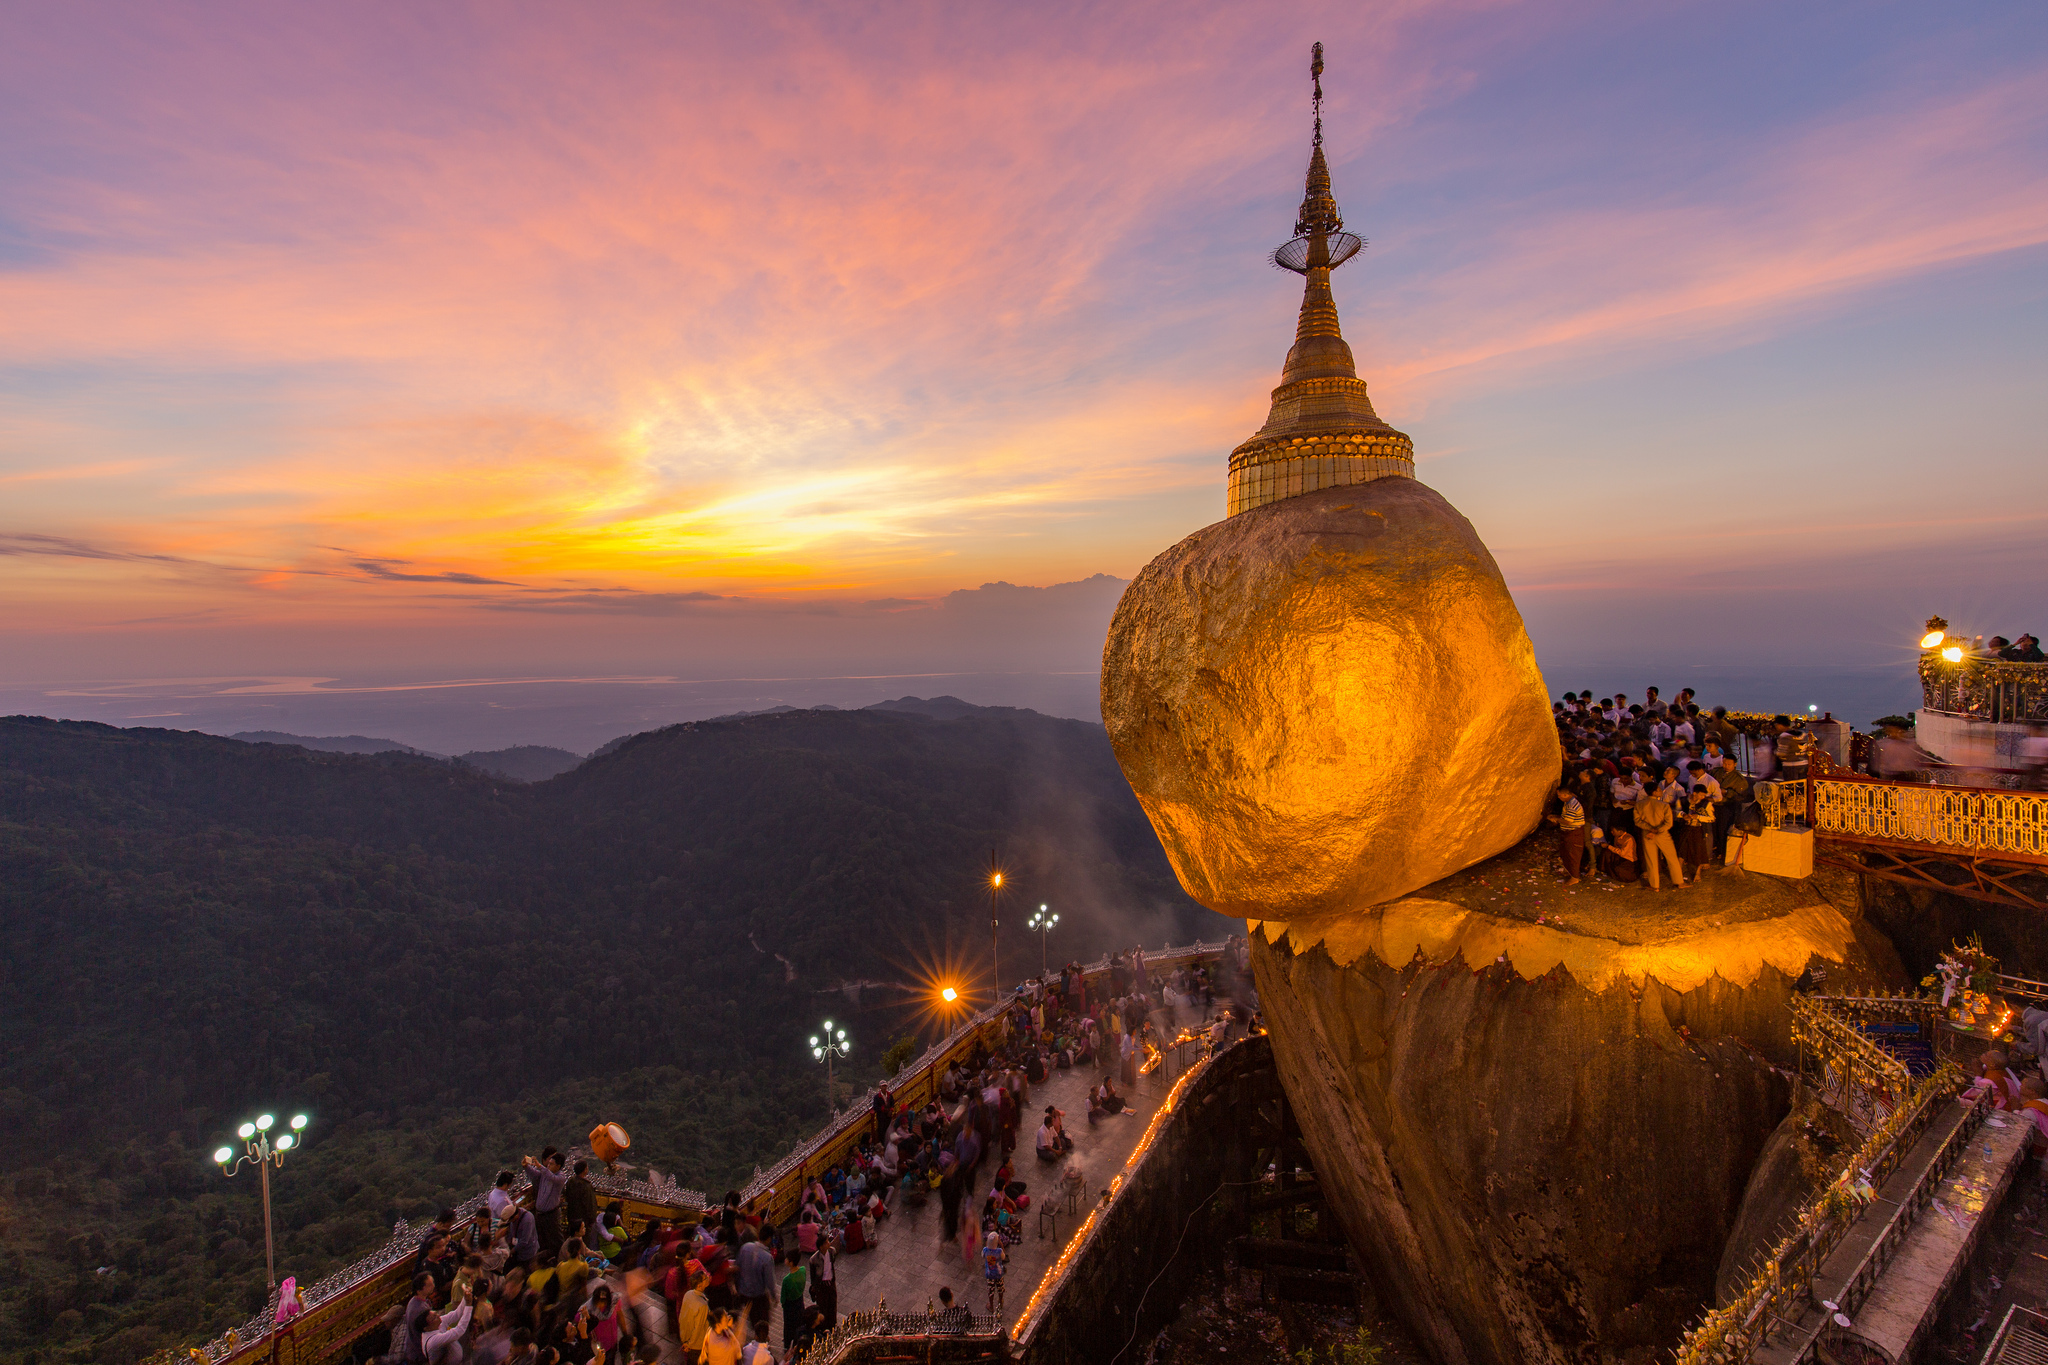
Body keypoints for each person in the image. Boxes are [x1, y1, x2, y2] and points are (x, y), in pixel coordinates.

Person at [1634, 786, 1685, 890]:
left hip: (1647, 834)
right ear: (1655, 792)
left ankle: (1654, 885)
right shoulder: (1664, 805)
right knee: (1672, 858)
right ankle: (1679, 882)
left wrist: (1650, 829)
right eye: (1659, 790)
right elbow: (1668, 824)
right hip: (1662, 834)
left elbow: (1637, 821)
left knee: (1651, 860)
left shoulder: (1639, 805)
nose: (1661, 792)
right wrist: (1657, 830)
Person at [522, 1149, 570, 1259]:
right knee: (542, 1239)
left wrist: (540, 1166)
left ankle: (561, 1260)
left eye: (551, 1164)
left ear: (558, 1166)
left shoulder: (560, 1177)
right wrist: (526, 1166)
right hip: (540, 1213)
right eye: (548, 1164)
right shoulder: (544, 1174)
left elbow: (551, 1177)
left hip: (551, 1214)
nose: (549, 1166)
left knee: (556, 1240)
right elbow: (535, 1175)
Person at [733, 1228, 775, 1341]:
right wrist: (774, 1296)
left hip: (744, 1291)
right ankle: (761, 1338)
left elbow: (737, 1267)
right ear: (769, 1239)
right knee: (762, 1318)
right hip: (758, 1295)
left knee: (751, 1316)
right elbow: (770, 1281)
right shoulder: (767, 1258)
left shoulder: (745, 1248)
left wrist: (737, 1286)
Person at [1547, 783, 1585, 886]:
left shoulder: (1572, 805)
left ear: (1565, 795)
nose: (1558, 797)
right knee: (1568, 854)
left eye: (1559, 795)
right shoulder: (1568, 803)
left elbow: (1568, 821)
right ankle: (1573, 874)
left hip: (1573, 833)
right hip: (1569, 832)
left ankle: (1575, 877)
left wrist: (1556, 819)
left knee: (1573, 855)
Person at [678, 1265, 712, 1359]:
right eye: (705, 1278)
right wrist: (690, 1344)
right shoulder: (702, 1305)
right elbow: (698, 1328)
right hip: (697, 1345)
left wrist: (685, 1341)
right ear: (699, 1284)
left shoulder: (688, 1294)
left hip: (686, 1338)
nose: (708, 1278)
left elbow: (682, 1316)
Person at [778, 1248, 808, 1351]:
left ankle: (787, 1345)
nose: (785, 1260)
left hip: (790, 1305)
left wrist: (783, 1304)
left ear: (790, 1262)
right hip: (800, 1300)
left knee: (788, 1325)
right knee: (799, 1322)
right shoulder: (803, 1270)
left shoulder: (787, 1279)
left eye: (787, 1259)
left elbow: (783, 1296)